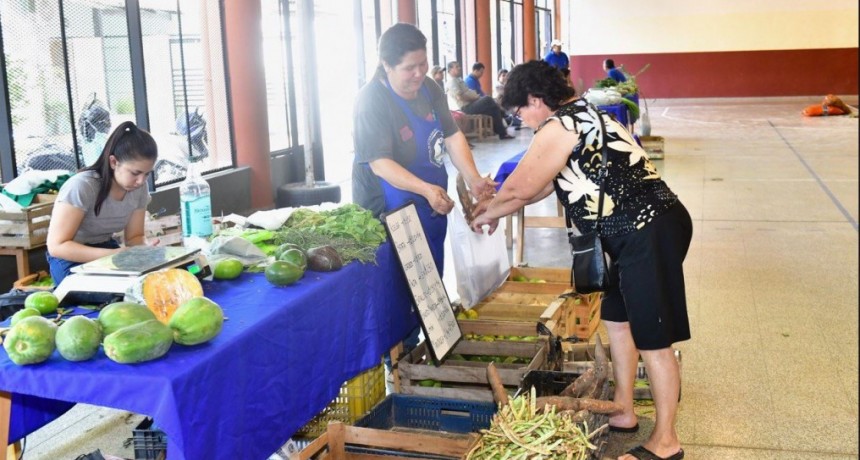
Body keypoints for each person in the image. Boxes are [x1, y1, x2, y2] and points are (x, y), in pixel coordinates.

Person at [470, 60, 690, 460]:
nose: (522, 122)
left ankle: (666, 442)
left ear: (536, 99)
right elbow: (542, 184)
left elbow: (520, 188)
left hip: (647, 229)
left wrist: (483, 213)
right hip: (635, 232)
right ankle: (623, 408)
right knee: (617, 319)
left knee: (654, 337)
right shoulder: (585, 114)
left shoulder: (560, 125)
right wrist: (494, 208)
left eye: (521, 112)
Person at [352, 23, 496, 357]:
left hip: (431, 198)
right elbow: (379, 163)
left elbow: (451, 135)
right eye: (409, 68)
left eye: (422, 64)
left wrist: (473, 179)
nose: (418, 74)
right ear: (386, 65)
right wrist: (424, 188)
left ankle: (426, 346)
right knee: (398, 283)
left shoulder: (430, 87)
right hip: (388, 201)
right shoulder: (371, 101)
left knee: (430, 270)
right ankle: (399, 357)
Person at [46, 121, 158, 285]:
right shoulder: (82, 186)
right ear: (114, 162)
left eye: (147, 174)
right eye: (135, 173)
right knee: (107, 292)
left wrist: (145, 250)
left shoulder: (139, 188)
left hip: (108, 249)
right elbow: (57, 246)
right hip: (69, 257)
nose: (141, 181)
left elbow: (135, 237)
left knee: (147, 284)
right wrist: (116, 254)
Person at [445, 61, 513, 140]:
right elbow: (460, 97)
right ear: (450, 69)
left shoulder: (459, 80)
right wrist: (475, 98)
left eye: (458, 66)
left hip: (472, 103)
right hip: (466, 107)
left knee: (494, 109)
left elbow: (468, 93)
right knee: (488, 99)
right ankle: (504, 118)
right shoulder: (452, 82)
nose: (459, 68)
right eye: (456, 67)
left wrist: (475, 97)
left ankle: (502, 133)